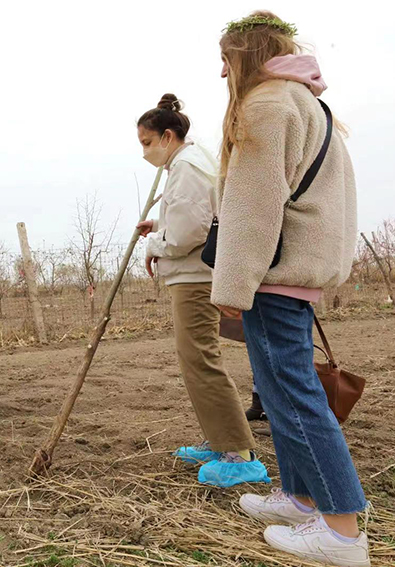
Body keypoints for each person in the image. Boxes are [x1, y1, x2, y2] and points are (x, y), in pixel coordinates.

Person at [213, 12, 369, 566]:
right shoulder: (306, 101)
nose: (221, 71)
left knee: (296, 396)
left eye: (226, 60)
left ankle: (343, 533)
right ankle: (303, 499)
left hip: (276, 274)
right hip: (297, 270)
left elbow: (253, 207)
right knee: (281, 392)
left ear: (245, 57)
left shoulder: (267, 104)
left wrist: (232, 283)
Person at [136, 95, 269, 488]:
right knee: (195, 360)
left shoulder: (188, 167)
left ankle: (238, 453)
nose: (144, 151)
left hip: (194, 277)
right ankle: (219, 440)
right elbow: (194, 216)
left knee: (201, 361)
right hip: (191, 274)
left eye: (147, 142)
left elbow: (187, 233)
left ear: (167, 135)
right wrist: (160, 222)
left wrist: (155, 242)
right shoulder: (189, 164)